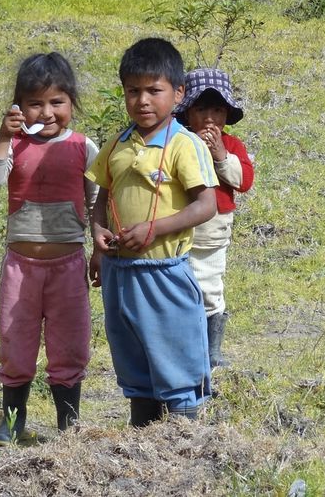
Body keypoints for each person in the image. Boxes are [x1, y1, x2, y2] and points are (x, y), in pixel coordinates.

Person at [86, 38, 218, 427]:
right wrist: (96, 235)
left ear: (178, 94)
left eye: (154, 91)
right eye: (133, 91)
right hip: (119, 273)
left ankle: (185, 434)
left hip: (163, 273)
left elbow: (205, 204)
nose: (142, 101)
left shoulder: (184, 144)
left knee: (175, 356)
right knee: (133, 360)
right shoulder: (117, 145)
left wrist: (154, 229)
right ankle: (141, 439)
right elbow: (102, 196)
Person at [0, 52, 99, 445]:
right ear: (18, 107)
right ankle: (13, 422)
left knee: (70, 345)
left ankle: (68, 429)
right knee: (16, 344)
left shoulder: (85, 148)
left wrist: (99, 250)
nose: (46, 112)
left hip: (68, 267)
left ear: (72, 104)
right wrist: (2, 135)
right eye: (35, 103)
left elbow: (98, 203)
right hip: (21, 269)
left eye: (56, 102)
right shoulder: (13, 145)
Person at [176, 68, 254, 369]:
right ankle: (184, 345)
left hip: (213, 232)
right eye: (201, 109)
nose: (210, 118)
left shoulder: (232, 145)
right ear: (187, 112)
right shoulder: (179, 139)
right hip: (179, 228)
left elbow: (244, 181)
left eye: (218, 110)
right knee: (180, 289)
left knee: (209, 286)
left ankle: (212, 350)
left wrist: (221, 155)